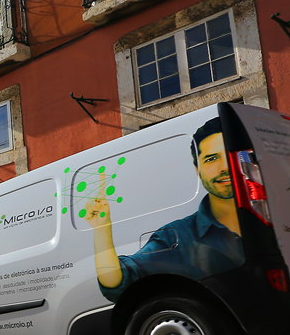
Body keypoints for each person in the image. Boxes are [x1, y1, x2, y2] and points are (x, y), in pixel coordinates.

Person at [83, 117, 246, 303]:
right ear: (197, 170)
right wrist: (102, 229)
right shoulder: (177, 236)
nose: (224, 167)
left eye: (230, 155)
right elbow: (118, 282)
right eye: (211, 158)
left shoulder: (271, 213)